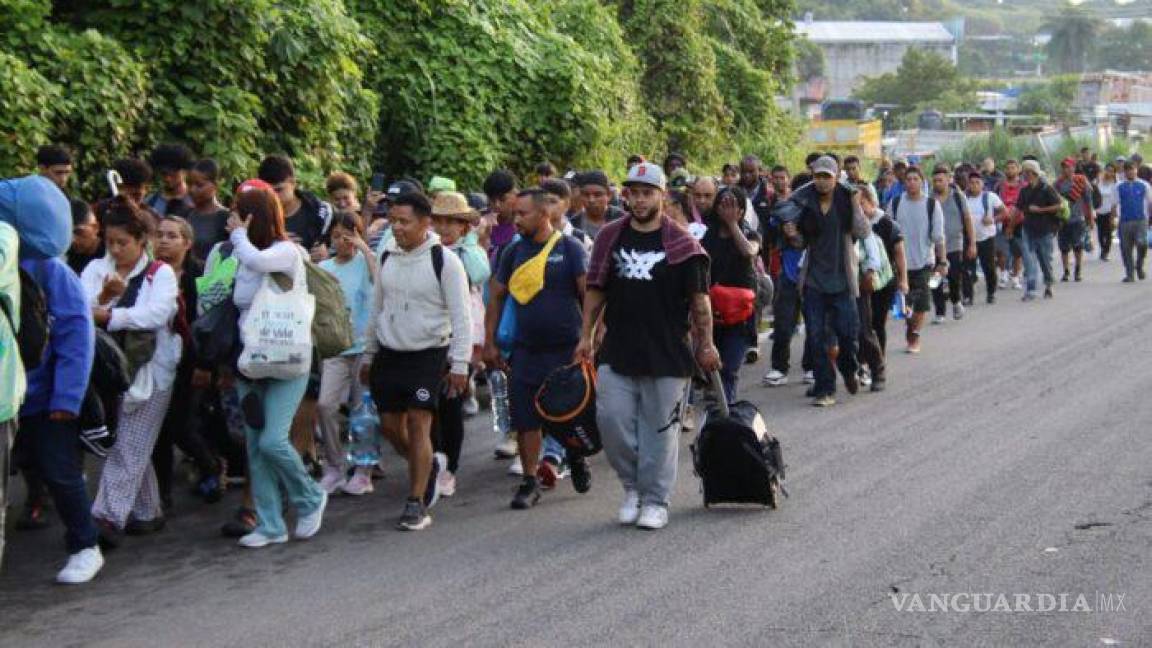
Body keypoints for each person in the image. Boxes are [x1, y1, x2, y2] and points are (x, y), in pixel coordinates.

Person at [575, 163, 719, 530]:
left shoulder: (684, 245)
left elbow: (701, 303)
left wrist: (707, 345)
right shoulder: (610, 237)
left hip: (668, 352)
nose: (638, 200)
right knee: (611, 421)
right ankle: (633, 489)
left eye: (646, 192)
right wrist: (586, 337)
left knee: (659, 431)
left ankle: (655, 500)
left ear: (662, 194)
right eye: (633, 192)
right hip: (618, 348)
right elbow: (595, 289)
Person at [3, 174, 104, 583]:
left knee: (60, 471)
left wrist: (67, 398)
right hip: (9, 392)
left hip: (43, 396)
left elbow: (77, 334)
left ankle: (85, 544)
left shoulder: (49, 269)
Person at [360, 191, 472, 531]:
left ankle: (416, 502)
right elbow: (377, 308)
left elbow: (462, 316)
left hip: (429, 353)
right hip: (391, 352)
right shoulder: (388, 257)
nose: (397, 228)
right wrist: (368, 353)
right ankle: (428, 469)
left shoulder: (445, 262)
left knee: (419, 423)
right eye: (393, 221)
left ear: (426, 223)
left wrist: (460, 365)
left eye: (404, 221)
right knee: (392, 427)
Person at [227, 182, 328, 547]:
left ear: (254, 215)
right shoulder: (239, 254)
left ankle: (310, 498)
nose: (232, 217)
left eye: (239, 211)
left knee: (272, 441)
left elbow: (258, 261)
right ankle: (269, 524)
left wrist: (238, 237)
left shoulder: (288, 251)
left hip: (288, 359)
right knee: (255, 445)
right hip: (250, 362)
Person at [83, 197, 181, 539]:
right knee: (131, 442)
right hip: (110, 371)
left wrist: (109, 315)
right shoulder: (97, 270)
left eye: (123, 243)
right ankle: (147, 511)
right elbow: (80, 309)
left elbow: (157, 315)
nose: (115, 249)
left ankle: (106, 517)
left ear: (142, 242)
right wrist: (105, 297)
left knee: (129, 444)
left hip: (153, 371)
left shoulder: (160, 274)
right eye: (109, 242)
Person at [485, 189, 589, 509]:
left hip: (565, 349)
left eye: (523, 214)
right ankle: (530, 481)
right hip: (525, 351)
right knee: (526, 418)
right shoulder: (512, 253)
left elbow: (588, 297)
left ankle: (574, 455)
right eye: (515, 213)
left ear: (544, 214)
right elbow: (497, 297)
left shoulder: (570, 249)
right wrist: (489, 343)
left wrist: (589, 340)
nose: (516, 220)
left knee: (565, 415)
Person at [150, 216, 223, 506]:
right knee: (161, 430)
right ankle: (162, 493)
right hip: (157, 362)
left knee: (183, 425)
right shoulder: (149, 274)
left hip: (194, 362)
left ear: (187, 242)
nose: (164, 240)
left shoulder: (200, 275)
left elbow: (211, 321)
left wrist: (206, 365)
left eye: (172, 235)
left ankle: (212, 467)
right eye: (160, 234)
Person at [789, 156, 872, 407]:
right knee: (816, 338)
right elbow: (803, 242)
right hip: (814, 282)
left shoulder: (846, 202)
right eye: (818, 176)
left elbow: (864, 231)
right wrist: (793, 235)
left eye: (827, 176)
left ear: (836, 177)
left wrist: (857, 206)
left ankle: (849, 369)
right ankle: (826, 389)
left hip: (842, 282)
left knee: (848, 337)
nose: (823, 181)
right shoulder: (806, 203)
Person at [429, 192, 490, 495]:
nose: (443, 227)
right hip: (427, 334)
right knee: (427, 403)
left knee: (450, 402)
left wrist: (464, 248)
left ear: (463, 226)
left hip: (460, 332)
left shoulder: (470, 252)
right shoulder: (421, 248)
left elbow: (480, 274)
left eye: (451, 221)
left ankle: (449, 465)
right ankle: (433, 457)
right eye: (438, 220)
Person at [316, 211, 378, 495]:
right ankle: (334, 466)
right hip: (336, 346)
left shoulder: (366, 264)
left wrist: (364, 247)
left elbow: (381, 282)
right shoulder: (325, 267)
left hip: (363, 347)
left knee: (362, 409)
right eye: (337, 236)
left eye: (347, 235)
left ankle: (364, 469)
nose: (342, 241)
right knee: (325, 405)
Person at [701, 186, 759, 403]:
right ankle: (718, 401)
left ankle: (727, 416)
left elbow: (748, 251)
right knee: (712, 366)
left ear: (741, 210)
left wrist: (733, 224)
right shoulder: (706, 235)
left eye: (732, 206)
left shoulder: (750, 234)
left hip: (740, 315)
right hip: (710, 313)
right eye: (723, 205)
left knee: (730, 369)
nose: (727, 210)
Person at [889, 166, 946, 355]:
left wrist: (942, 262)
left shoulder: (932, 205)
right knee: (904, 304)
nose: (912, 182)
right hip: (900, 265)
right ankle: (911, 328)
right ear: (904, 183)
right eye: (908, 179)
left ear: (922, 181)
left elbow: (939, 237)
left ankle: (914, 337)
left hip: (924, 263)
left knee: (921, 303)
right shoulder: (895, 203)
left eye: (915, 178)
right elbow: (886, 232)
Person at [257, 154, 334, 262]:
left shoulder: (322, 213)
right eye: (269, 191)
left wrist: (327, 254)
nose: (274, 196)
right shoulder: (257, 216)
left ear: (293, 182)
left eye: (279, 190)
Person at [863, 183, 907, 367]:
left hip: (884, 280)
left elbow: (899, 253)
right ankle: (865, 359)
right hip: (862, 280)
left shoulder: (886, 223)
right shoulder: (853, 225)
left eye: (862, 203)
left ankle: (879, 359)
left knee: (877, 321)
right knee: (863, 322)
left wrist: (903, 280)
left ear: (872, 202)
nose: (859, 208)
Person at [929, 165, 975, 322]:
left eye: (940, 180)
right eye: (934, 181)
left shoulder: (958, 197)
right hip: (934, 247)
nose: (937, 183)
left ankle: (956, 301)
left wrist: (972, 244)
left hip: (955, 244)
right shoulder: (928, 199)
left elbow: (968, 219)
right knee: (935, 279)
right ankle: (939, 312)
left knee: (954, 276)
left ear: (948, 180)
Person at [1016, 160, 1063, 300]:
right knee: (1029, 262)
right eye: (1024, 172)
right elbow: (1017, 209)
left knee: (1045, 261)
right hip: (1028, 230)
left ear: (1034, 173)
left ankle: (1049, 285)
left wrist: (1040, 210)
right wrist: (1011, 227)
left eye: (1028, 172)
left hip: (1045, 230)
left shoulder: (1046, 188)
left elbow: (1059, 206)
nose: (1025, 175)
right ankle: (1031, 290)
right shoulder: (1024, 191)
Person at [964, 171, 1007, 304]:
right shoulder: (964, 199)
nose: (974, 185)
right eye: (971, 183)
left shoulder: (990, 197)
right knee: (968, 268)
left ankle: (991, 292)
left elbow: (1004, 212)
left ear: (982, 184)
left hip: (987, 238)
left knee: (988, 267)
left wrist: (993, 219)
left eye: (977, 182)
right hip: (969, 239)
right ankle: (968, 296)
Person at [1053, 158, 1096, 283]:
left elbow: (1088, 200)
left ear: (1073, 167)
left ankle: (1078, 269)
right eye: (1064, 167)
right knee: (1064, 247)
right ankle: (1066, 271)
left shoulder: (1081, 181)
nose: (1066, 169)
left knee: (1078, 245)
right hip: (1063, 219)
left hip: (1078, 217)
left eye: (1068, 166)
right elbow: (1053, 198)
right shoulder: (1058, 183)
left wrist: (1091, 218)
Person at [186, 158, 230, 264]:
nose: (192, 189)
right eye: (190, 184)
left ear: (215, 185)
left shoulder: (226, 218)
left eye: (199, 185)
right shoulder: (184, 213)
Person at [1117, 161, 1152, 282]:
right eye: (1128, 170)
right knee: (1126, 249)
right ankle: (1129, 274)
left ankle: (1139, 265)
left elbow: (1150, 202)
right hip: (1125, 221)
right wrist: (1113, 220)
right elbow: (1114, 205)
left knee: (1142, 244)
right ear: (1125, 172)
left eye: (1132, 169)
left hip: (1141, 220)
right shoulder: (1119, 186)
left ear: (1136, 170)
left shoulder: (1144, 185)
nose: (1130, 172)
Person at [995, 160, 1026, 291]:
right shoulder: (999, 186)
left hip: (1019, 223)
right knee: (1001, 251)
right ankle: (1003, 275)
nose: (1010, 170)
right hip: (1002, 222)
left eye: (1013, 168)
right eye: (1008, 168)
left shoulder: (1024, 186)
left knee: (1017, 252)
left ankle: (1016, 277)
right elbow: (993, 202)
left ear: (1018, 169)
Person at [570, 171, 624, 241]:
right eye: (586, 195)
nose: (591, 200)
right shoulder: (573, 224)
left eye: (597, 195)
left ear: (609, 195)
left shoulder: (622, 220)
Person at [144, 143, 196, 217]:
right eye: (164, 174)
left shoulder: (196, 201)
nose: (167, 178)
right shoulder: (150, 202)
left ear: (185, 172)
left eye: (173, 174)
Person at [67, 198, 103, 276]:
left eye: (78, 232)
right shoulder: (67, 258)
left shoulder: (113, 253)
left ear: (96, 227)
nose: (73, 240)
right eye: (68, 233)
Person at [1096, 162, 1120, 262]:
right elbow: (1094, 195)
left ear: (1114, 173)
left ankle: (1106, 252)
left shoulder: (1116, 184)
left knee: (1108, 232)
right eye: (1107, 170)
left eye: (1111, 171)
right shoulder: (1099, 182)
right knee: (1100, 232)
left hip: (1110, 210)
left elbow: (1116, 200)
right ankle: (1102, 249)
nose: (1109, 173)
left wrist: (1114, 214)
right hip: (1099, 210)